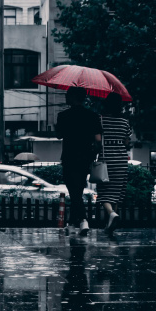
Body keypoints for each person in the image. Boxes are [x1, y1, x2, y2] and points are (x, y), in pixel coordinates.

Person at [55, 86, 101, 235]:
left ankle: (82, 219)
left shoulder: (63, 116)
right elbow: (98, 140)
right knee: (78, 189)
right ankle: (71, 223)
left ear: (74, 97)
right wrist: (93, 152)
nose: (65, 97)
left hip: (69, 156)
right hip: (86, 157)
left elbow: (58, 135)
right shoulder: (93, 116)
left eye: (68, 94)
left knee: (73, 190)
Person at [96, 91, 133, 235]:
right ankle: (110, 224)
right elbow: (127, 142)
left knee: (104, 192)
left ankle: (111, 214)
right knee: (116, 192)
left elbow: (98, 141)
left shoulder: (101, 120)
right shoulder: (125, 122)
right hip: (121, 160)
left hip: (106, 160)